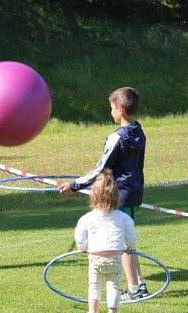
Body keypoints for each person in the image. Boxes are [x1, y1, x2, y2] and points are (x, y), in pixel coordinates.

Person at [59, 87, 147, 301]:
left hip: (120, 195)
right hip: (135, 192)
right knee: (126, 236)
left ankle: (134, 289)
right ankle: (139, 283)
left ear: (121, 110)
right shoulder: (139, 132)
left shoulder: (117, 138)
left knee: (122, 242)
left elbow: (101, 169)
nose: (111, 113)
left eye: (111, 109)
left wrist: (75, 185)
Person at [75, 169, 137, 313]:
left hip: (96, 257)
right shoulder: (123, 217)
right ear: (116, 196)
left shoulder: (87, 218)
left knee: (94, 286)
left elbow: (80, 236)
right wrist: (131, 247)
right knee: (113, 285)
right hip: (115, 257)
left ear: (93, 196)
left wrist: (83, 248)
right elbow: (131, 235)